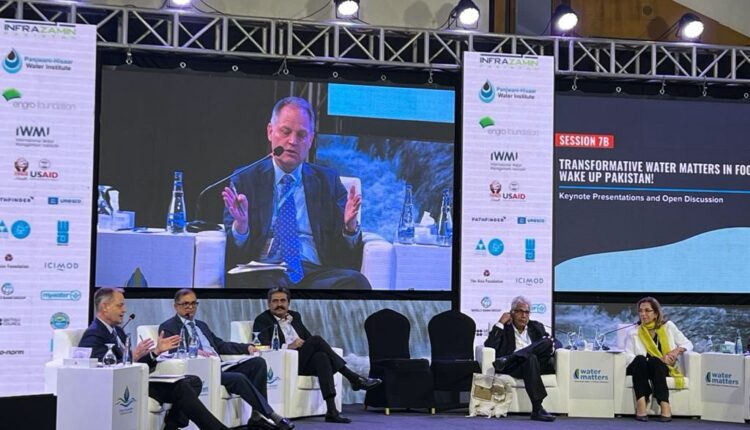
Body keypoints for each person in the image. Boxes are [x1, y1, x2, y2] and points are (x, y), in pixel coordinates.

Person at [221, 96, 370, 290]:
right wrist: (241, 227)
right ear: (270, 132)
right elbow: (234, 252)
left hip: (314, 274)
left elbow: (344, 255)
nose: (292, 141)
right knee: (256, 284)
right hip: (265, 270)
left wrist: (349, 229)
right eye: (285, 132)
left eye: (301, 135)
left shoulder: (328, 181)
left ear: (311, 140)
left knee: (356, 282)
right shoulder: (245, 179)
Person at [79, 288, 229, 430]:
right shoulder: (94, 334)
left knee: (193, 381)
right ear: (105, 307)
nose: (124, 310)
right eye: (120, 305)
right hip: (124, 385)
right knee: (181, 387)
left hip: (136, 378)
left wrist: (156, 351)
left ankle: (171, 426)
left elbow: (135, 363)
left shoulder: (117, 331)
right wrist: (133, 356)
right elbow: (100, 372)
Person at [158, 289, 294, 430]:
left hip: (220, 366)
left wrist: (246, 347)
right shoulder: (168, 327)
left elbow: (220, 345)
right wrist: (193, 351)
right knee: (238, 378)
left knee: (257, 363)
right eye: (186, 304)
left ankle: (256, 416)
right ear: (176, 306)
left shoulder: (201, 325)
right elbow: (170, 352)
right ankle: (271, 415)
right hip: (201, 371)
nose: (190, 307)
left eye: (193, 303)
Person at [253, 286, 381, 423]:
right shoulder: (263, 320)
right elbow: (262, 346)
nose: (279, 304)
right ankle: (354, 378)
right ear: (269, 303)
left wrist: (305, 344)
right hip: (284, 364)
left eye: (283, 301)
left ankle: (331, 411)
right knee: (317, 340)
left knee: (322, 358)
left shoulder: (295, 317)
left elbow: (308, 338)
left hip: (303, 360)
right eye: (275, 301)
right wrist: (289, 346)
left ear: (288, 303)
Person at [483, 295, 556, 422]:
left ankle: (509, 358)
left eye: (527, 312)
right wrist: (500, 323)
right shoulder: (505, 328)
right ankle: (537, 409)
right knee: (530, 357)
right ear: (512, 313)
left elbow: (551, 345)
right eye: (520, 311)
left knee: (543, 346)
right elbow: (489, 345)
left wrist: (551, 345)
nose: (523, 315)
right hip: (514, 367)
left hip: (532, 365)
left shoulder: (536, 326)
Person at [624, 297, 692, 422]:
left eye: (647, 310)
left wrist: (675, 352)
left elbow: (688, 344)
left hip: (659, 368)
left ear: (656, 313)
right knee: (640, 359)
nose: (643, 314)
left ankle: (664, 404)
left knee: (655, 361)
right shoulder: (633, 332)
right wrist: (648, 360)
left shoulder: (668, 327)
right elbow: (628, 356)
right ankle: (641, 402)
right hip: (639, 368)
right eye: (640, 311)